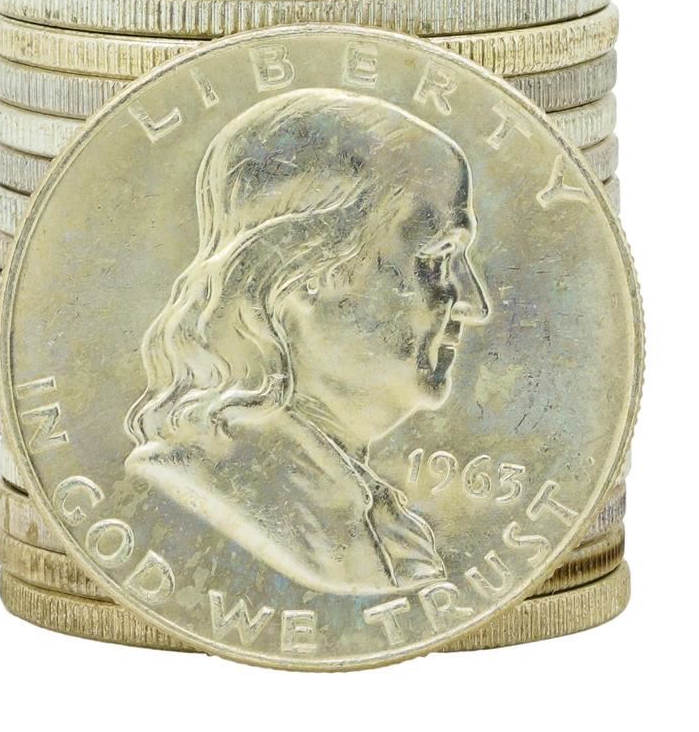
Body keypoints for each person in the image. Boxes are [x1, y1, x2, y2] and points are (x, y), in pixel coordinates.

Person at [124, 87, 488, 596]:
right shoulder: (194, 494)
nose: (473, 304)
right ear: (300, 272)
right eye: (437, 258)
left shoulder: (383, 522)